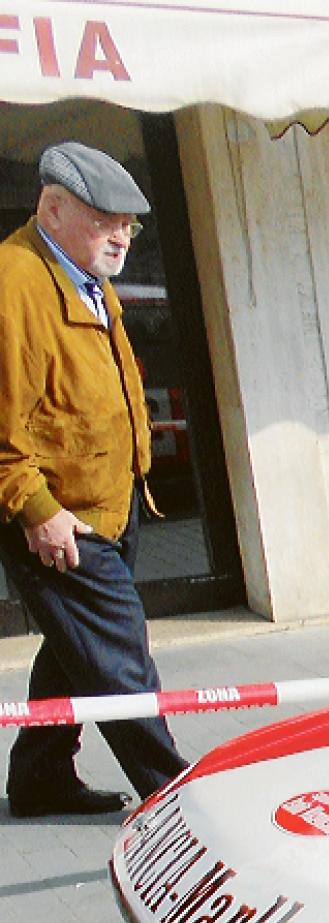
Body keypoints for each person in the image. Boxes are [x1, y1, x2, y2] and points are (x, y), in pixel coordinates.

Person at [0, 141, 188, 818]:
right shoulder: (14, 283)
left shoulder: (82, 273)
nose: (122, 237)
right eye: (106, 221)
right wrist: (36, 509)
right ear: (52, 208)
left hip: (110, 500)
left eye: (129, 225)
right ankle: (174, 794)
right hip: (59, 514)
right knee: (118, 652)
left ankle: (40, 776)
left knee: (77, 647)